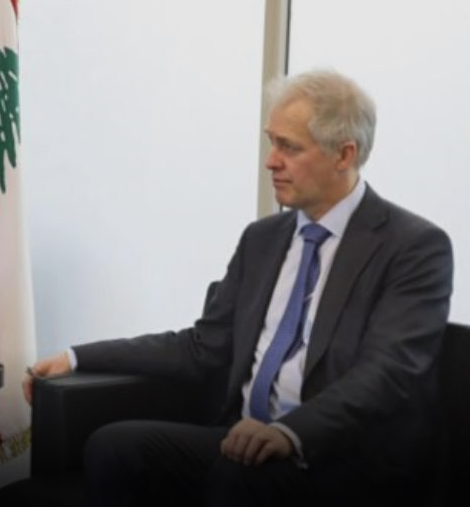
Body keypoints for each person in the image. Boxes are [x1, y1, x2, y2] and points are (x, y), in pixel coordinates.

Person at [25, 69, 453, 506]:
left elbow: (385, 374)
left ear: (344, 154)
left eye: (289, 147)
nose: (271, 161)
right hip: (244, 441)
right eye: (272, 142)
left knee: (240, 476)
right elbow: (202, 346)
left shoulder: (413, 247)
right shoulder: (262, 239)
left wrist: (289, 433)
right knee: (116, 448)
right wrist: (78, 357)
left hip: (340, 458)